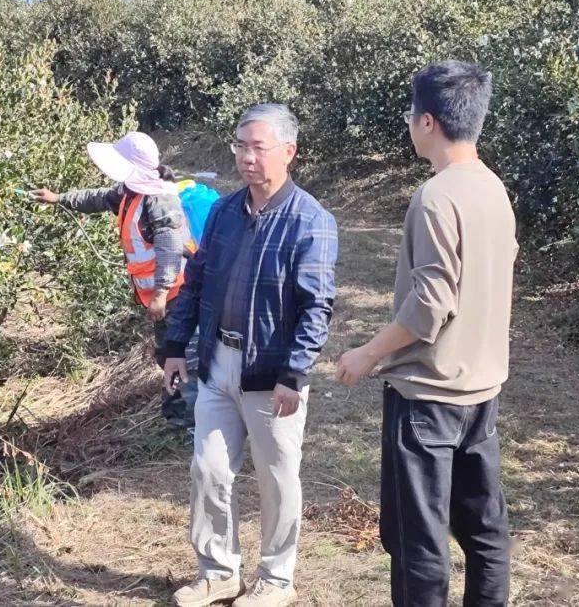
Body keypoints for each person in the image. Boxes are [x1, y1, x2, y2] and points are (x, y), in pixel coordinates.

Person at [336, 61, 518, 607]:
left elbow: (430, 305)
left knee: (418, 544)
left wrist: (367, 354)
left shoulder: (436, 197)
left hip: (428, 401)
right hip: (481, 392)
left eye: (412, 115)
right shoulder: (493, 188)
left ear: (428, 122)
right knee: (486, 533)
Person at [163, 104, 338, 607]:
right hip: (219, 363)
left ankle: (276, 580)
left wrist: (295, 373)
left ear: (289, 152)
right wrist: (175, 346)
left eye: (257, 147)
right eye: (240, 146)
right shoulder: (223, 212)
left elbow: (316, 307)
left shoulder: (311, 220)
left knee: (277, 479)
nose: (246, 157)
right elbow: (196, 283)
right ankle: (219, 572)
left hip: (272, 376)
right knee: (210, 469)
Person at [30, 131, 199, 428]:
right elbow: (97, 197)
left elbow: (171, 248)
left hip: (178, 295)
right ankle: (178, 419)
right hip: (162, 298)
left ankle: (195, 425)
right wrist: (58, 198)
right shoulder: (130, 193)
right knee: (168, 355)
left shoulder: (159, 200)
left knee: (184, 357)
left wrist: (160, 293)